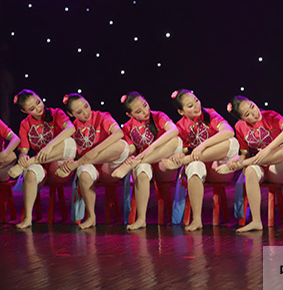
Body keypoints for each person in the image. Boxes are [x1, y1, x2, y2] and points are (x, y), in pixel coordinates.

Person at [163, 89, 239, 232]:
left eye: (196, 101)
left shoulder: (209, 113)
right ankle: (197, 219)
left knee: (232, 142)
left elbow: (228, 131)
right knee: (195, 166)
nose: (197, 106)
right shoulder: (180, 125)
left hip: (218, 168)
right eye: (190, 106)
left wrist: (201, 147)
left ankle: (187, 160)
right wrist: (180, 155)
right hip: (201, 168)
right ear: (181, 111)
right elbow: (185, 148)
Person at [219, 95, 283, 233]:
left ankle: (245, 164)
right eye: (247, 114)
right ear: (242, 119)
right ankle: (256, 221)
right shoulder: (239, 127)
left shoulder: (270, 116)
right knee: (250, 171)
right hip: (261, 167)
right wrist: (237, 159)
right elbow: (245, 153)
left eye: (252, 106)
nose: (254, 113)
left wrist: (267, 149)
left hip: (277, 169)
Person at [56, 93, 130, 229]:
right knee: (83, 173)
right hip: (89, 166)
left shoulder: (102, 116)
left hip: (108, 167)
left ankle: (80, 163)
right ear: (71, 114)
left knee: (122, 145)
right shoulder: (73, 127)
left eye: (86, 106)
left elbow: (118, 133)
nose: (85, 113)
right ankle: (91, 217)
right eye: (79, 112)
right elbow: (73, 150)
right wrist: (70, 160)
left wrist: (93, 153)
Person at [115, 92, 182, 230]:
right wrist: (130, 158)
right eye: (138, 111)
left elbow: (174, 130)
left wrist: (149, 149)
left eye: (145, 105)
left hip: (164, 165)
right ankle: (141, 219)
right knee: (141, 170)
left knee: (176, 141)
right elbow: (131, 149)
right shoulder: (127, 127)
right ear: (129, 114)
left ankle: (138, 162)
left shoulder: (158, 116)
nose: (145, 112)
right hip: (145, 163)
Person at [11, 89, 77, 230]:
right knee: (31, 172)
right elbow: (23, 151)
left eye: (38, 102)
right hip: (43, 167)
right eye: (32, 109)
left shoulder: (56, 113)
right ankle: (28, 218)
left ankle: (29, 163)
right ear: (24, 111)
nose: (38, 108)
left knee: (70, 143)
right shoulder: (25, 124)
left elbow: (71, 129)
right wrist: (23, 158)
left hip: (59, 168)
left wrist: (49, 146)